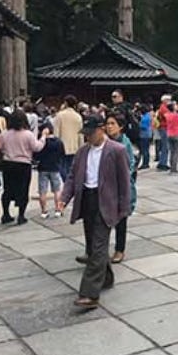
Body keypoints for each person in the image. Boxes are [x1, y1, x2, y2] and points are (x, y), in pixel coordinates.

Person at [56, 117, 130, 308]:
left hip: (106, 202)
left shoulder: (116, 150)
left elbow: (124, 181)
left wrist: (124, 207)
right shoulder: (82, 152)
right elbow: (72, 177)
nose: (88, 137)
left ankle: (89, 294)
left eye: (90, 133)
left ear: (101, 129)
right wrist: (64, 198)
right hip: (87, 200)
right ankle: (106, 277)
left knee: (97, 247)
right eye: (85, 134)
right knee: (93, 243)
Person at [0, 110, 46, 225]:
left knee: (7, 190)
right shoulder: (28, 134)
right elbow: (37, 147)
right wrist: (43, 138)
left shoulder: (4, 134)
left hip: (8, 164)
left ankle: (6, 214)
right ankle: (21, 215)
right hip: (23, 164)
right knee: (23, 190)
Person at [103, 113, 137, 263]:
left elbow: (130, 165)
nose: (109, 127)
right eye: (107, 123)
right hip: (106, 188)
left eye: (112, 123)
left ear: (120, 127)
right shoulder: (103, 142)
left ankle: (119, 249)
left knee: (121, 221)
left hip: (120, 188)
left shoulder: (125, 143)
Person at [35, 123, 65, 219]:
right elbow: (62, 154)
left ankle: (44, 211)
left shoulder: (42, 142)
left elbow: (36, 155)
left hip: (43, 168)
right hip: (55, 167)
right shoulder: (59, 142)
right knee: (57, 190)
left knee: (42, 191)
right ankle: (58, 210)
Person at [53, 95, 83, 180]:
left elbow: (56, 132)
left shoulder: (59, 115)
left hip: (61, 146)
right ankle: (69, 183)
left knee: (61, 167)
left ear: (65, 103)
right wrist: (81, 147)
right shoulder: (78, 117)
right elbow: (81, 134)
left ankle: (66, 183)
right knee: (71, 168)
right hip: (74, 146)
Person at [162, 103, 178, 174]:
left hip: (169, 133)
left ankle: (171, 167)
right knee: (176, 152)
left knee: (171, 151)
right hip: (176, 133)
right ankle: (174, 168)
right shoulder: (177, 115)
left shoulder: (166, 115)